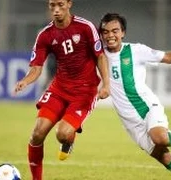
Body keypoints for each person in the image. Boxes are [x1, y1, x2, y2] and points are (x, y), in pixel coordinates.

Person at [99, 13, 171, 180]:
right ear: (101, 35)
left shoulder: (136, 50)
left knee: (159, 137)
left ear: (123, 32)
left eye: (115, 31)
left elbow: (167, 57)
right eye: (106, 32)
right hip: (131, 123)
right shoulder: (98, 57)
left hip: (147, 107)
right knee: (165, 158)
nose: (110, 36)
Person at [13, 0, 110, 179]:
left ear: (69, 4)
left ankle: (68, 140)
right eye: (52, 6)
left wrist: (106, 84)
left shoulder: (85, 27)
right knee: (37, 133)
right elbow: (36, 67)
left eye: (60, 5)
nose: (56, 10)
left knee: (63, 134)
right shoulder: (45, 35)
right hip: (59, 88)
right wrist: (25, 81)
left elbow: (101, 56)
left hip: (84, 91)